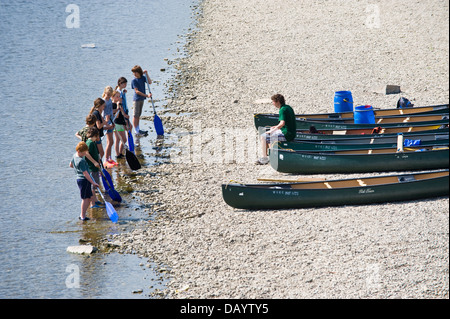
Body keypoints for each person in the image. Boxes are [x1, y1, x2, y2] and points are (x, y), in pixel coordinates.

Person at [255, 94, 296, 165]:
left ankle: (264, 159)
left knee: (263, 137)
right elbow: (286, 123)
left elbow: (282, 123)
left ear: (278, 102)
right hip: (291, 132)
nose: (273, 103)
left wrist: (272, 130)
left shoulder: (282, 110)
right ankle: (272, 156)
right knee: (269, 135)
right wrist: (275, 127)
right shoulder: (288, 107)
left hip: (287, 134)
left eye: (273, 101)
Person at [69, 141, 100, 221]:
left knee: (88, 198)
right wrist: (93, 183)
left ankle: (83, 214)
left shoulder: (74, 155)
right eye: (84, 153)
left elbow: (71, 165)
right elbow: (86, 174)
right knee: (85, 198)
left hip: (79, 179)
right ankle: (82, 216)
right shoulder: (81, 161)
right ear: (79, 151)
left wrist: (77, 169)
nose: (85, 154)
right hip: (84, 180)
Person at [85, 127, 104, 208]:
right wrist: (94, 162)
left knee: (96, 185)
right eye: (97, 136)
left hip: (95, 167)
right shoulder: (90, 143)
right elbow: (86, 153)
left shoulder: (92, 142)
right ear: (96, 135)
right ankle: (92, 203)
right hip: (92, 168)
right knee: (93, 186)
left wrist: (98, 160)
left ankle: (95, 200)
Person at [131, 65, 152, 136]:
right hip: (136, 99)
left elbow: (149, 82)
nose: (134, 74)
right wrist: (147, 95)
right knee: (135, 115)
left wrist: (147, 74)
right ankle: (136, 131)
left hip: (141, 99)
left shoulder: (142, 78)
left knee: (138, 115)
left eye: (135, 72)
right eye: (133, 72)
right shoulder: (134, 80)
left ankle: (138, 129)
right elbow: (137, 91)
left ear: (139, 72)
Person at [112, 90, 129, 159]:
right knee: (118, 139)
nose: (118, 98)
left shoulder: (119, 104)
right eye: (117, 97)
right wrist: (117, 108)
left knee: (124, 139)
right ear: (113, 97)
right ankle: (117, 154)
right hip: (116, 123)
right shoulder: (113, 105)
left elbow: (122, 113)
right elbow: (117, 116)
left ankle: (120, 151)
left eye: (119, 97)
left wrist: (125, 116)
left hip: (121, 123)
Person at [102, 86, 116, 166]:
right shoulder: (104, 101)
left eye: (110, 95)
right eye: (107, 94)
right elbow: (103, 113)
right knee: (110, 141)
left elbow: (110, 111)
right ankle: (106, 159)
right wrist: (106, 123)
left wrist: (112, 120)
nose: (108, 96)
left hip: (111, 120)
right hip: (106, 122)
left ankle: (110, 157)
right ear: (105, 93)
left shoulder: (110, 100)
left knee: (111, 141)